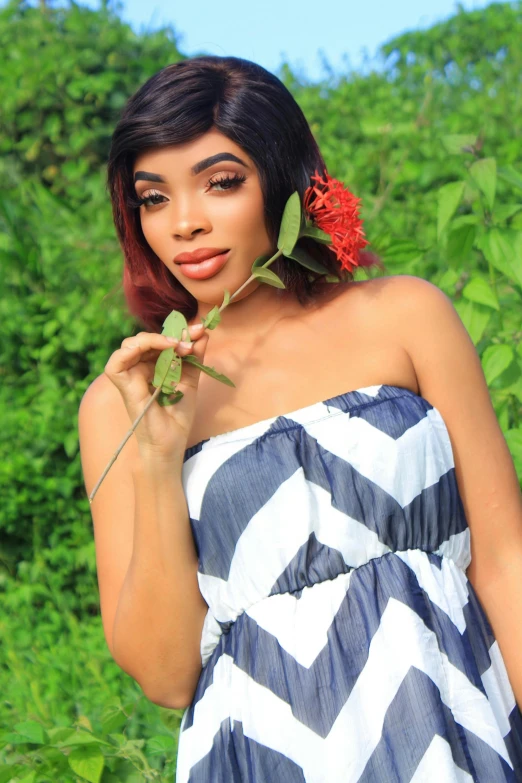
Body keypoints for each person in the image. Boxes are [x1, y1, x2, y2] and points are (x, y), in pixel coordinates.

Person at [78, 56, 522, 782]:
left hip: (454, 728)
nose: (185, 222)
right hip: (259, 754)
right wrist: (159, 457)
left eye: (221, 182)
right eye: (153, 197)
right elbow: (165, 676)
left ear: (283, 179)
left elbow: (507, 564)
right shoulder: (121, 403)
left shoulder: (405, 317)